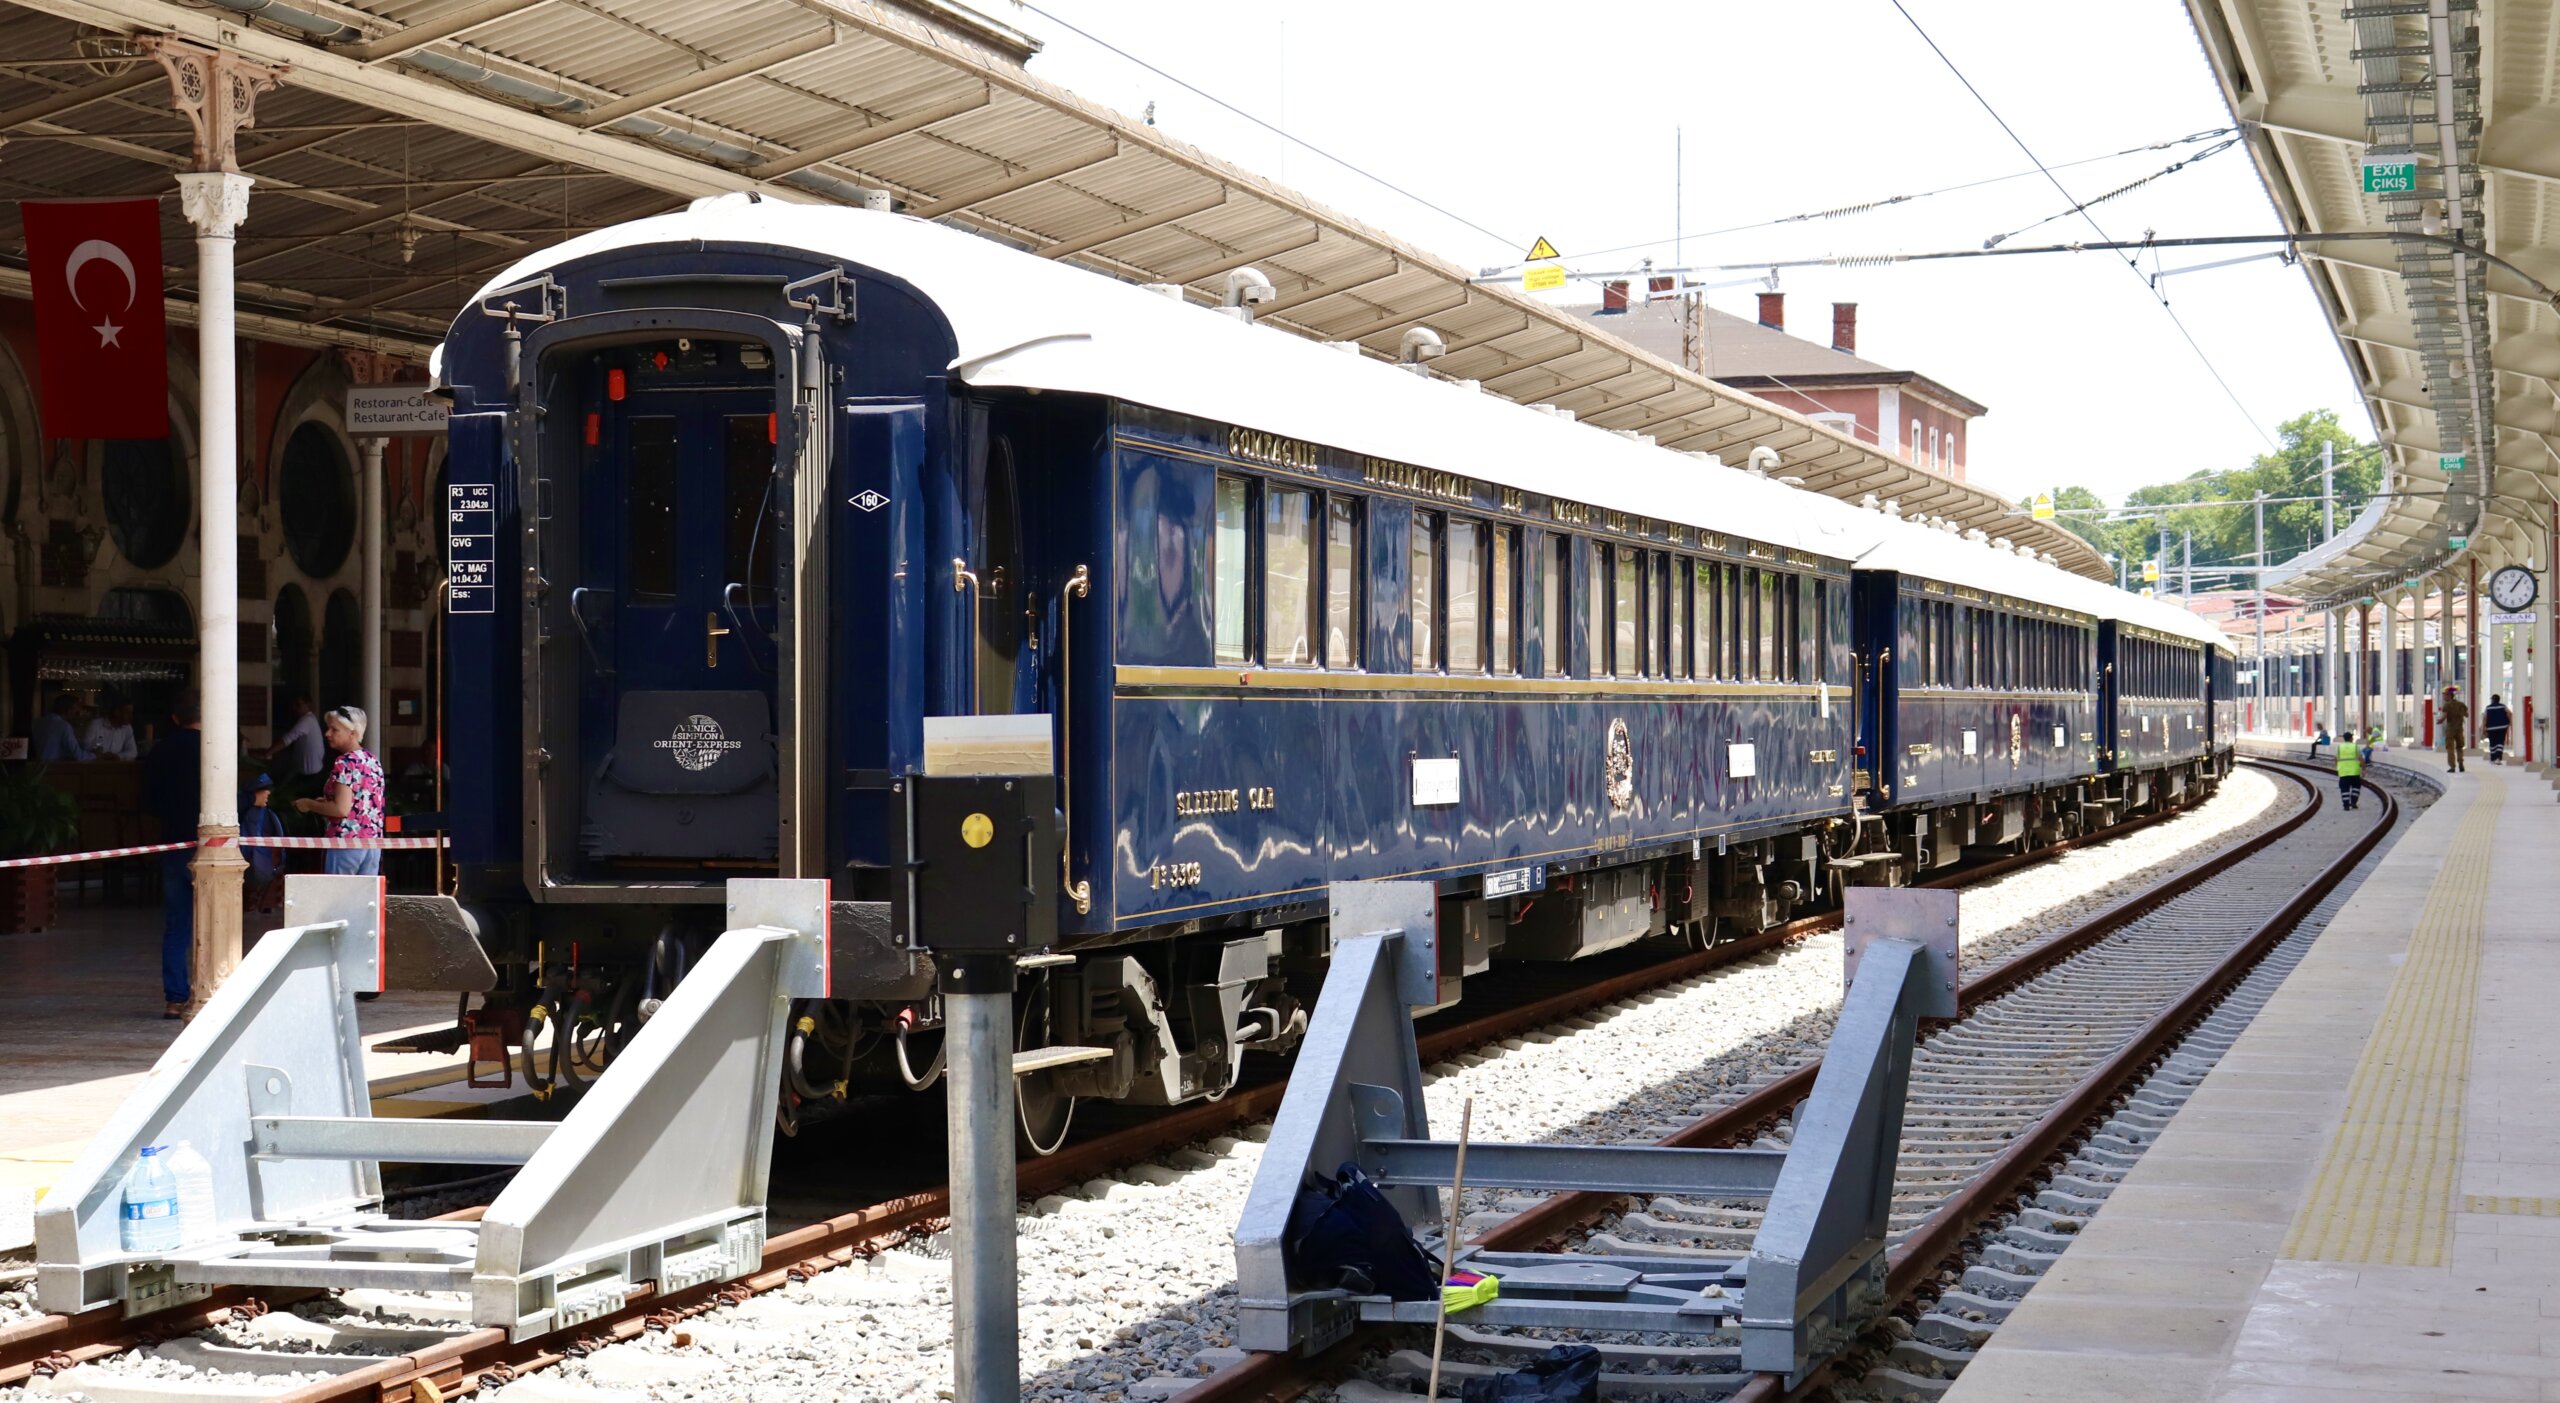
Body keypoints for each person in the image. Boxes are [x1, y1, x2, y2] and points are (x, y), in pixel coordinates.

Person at [139, 698, 201, 1018]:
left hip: (172, 844)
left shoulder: (160, 751)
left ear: (175, 718)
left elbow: (148, 801)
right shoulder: (212, 748)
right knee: (214, 923)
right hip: (209, 845)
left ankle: (175, 998)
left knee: (177, 925)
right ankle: (210, 992)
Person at [293, 706, 384, 876]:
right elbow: (360, 803)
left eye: (334, 729)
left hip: (345, 843)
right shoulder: (373, 761)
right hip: (373, 843)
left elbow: (341, 809)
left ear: (352, 733)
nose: (327, 734)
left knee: (338, 899)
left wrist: (309, 804)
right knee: (364, 900)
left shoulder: (345, 763)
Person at [240, 773, 286, 913]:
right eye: (264, 790)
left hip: (259, 865)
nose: (268, 793)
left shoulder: (266, 814)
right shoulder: (245, 812)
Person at [267, 693, 323, 784]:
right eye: (294, 705)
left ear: (308, 705)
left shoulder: (306, 720)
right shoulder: (309, 719)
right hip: (307, 770)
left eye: (298, 705)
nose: (294, 708)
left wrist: (267, 753)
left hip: (308, 774)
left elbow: (286, 740)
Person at [33, 692, 83, 762]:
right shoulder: (64, 726)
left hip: (37, 766)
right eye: (75, 710)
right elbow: (78, 755)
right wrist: (95, 755)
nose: (77, 713)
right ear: (69, 710)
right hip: (55, 768)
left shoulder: (39, 722)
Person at [2441, 685, 2469, 774]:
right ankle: (2461, 763)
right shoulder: (2461, 704)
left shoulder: (2447, 705)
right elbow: (2467, 715)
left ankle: (2452, 766)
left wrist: (2439, 721)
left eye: (2445, 695)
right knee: (2460, 747)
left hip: (2450, 729)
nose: (2443, 697)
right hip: (2459, 728)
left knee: (2450, 748)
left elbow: (2444, 716)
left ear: (2449, 695)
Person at [2336, 733, 2364, 810]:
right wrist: (2363, 769)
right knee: (2356, 787)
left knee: (2344, 789)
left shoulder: (2339, 747)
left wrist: (2337, 768)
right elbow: (2361, 758)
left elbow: (2336, 759)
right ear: (2351, 738)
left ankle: (2346, 806)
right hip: (2355, 771)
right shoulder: (2355, 747)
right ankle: (2353, 802)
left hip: (2343, 771)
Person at [2483, 693, 2512, 764]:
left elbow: (2485, 718)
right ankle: (2498, 758)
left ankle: (2493, 758)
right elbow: (2509, 713)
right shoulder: (2503, 706)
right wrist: (2509, 722)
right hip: (2502, 727)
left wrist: (2484, 728)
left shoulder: (2488, 707)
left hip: (2491, 728)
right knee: (2500, 742)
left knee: (2493, 743)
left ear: (2492, 700)